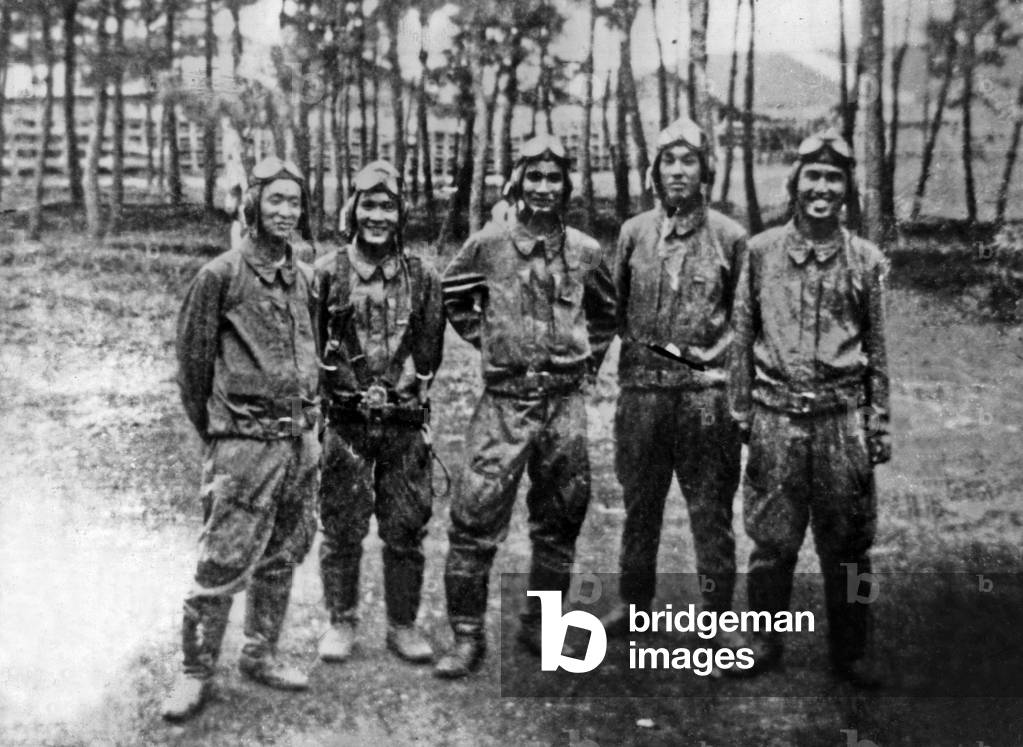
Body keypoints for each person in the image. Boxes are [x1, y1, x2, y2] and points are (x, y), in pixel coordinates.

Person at [434, 133, 617, 678]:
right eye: (533, 176)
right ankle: (467, 636)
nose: (543, 187)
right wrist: (490, 339)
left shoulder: (585, 251)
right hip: (505, 403)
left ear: (566, 186)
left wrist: (585, 365)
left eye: (553, 177)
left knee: (559, 521)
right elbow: (453, 294)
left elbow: (607, 313)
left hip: (563, 404)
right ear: (518, 181)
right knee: (474, 516)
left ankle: (543, 628)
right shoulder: (488, 245)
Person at [729, 130, 891, 688]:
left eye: (834, 178)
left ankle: (853, 650)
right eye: (813, 176)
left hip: (841, 419)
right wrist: (741, 412)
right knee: (771, 542)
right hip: (776, 417)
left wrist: (878, 421)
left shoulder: (866, 260)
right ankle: (761, 640)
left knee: (850, 546)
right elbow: (742, 337)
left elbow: (879, 349)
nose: (822, 188)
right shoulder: (760, 252)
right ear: (795, 183)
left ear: (847, 188)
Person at [163, 157, 322, 721]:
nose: (285, 212)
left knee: (283, 553)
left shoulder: (305, 276)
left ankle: (260, 653)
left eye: (294, 202)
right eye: (274, 200)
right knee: (223, 558)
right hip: (243, 446)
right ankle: (195, 670)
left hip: (298, 443)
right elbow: (193, 368)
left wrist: (310, 429)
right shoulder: (220, 276)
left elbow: (312, 355)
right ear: (251, 205)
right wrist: (220, 435)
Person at [602, 117, 747, 642]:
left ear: (705, 170)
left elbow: (744, 321)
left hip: (705, 401)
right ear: (654, 171)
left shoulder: (730, 238)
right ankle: (631, 603)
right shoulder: (633, 234)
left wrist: (713, 367)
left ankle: (719, 619)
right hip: (642, 396)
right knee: (640, 506)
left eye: (689, 160)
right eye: (669, 160)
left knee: (710, 512)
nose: (679, 171)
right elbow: (613, 310)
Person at [314, 161, 445, 665]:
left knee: (406, 526)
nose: (377, 216)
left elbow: (430, 348)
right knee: (341, 524)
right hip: (345, 423)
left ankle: (403, 623)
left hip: (404, 424)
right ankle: (341, 620)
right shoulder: (327, 273)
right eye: (368, 205)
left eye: (387, 206)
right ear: (352, 209)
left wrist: (402, 388)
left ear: (401, 213)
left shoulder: (423, 277)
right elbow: (312, 348)